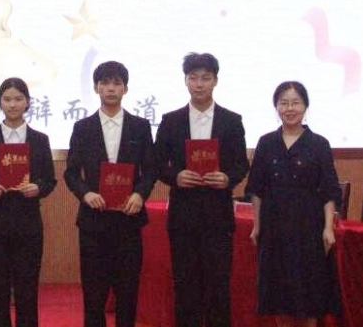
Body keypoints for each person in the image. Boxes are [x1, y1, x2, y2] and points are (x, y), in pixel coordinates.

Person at [154, 52, 249, 327]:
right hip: (183, 217)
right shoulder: (171, 121)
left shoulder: (232, 121)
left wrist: (227, 178)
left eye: (205, 78)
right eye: (193, 78)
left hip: (218, 217)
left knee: (218, 287)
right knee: (185, 287)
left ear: (215, 81)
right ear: (185, 80)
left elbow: (241, 165)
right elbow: (156, 163)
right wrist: (176, 176)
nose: (199, 84)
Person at [64, 60, 158, 327]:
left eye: (117, 83)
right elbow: (71, 173)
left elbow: (151, 169)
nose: (111, 88)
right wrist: (86, 194)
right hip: (94, 222)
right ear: (96, 88)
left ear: (125, 88)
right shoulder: (83, 128)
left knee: (128, 293)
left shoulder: (140, 126)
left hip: (128, 221)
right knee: (94, 295)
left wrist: (139, 194)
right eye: (105, 83)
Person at [244, 81, 340, 327]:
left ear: (305, 106)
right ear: (276, 107)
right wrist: (257, 225)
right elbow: (256, 189)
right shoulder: (266, 142)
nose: (289, 108)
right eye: (283, 103)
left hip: (308, 227)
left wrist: (328, 228)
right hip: (273, 227)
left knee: (309, 294)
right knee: (278, 295)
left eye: (295, 102)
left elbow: (329, 190)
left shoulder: (319, 144)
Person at [0, 77, 57, 327]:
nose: (13, 104)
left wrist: (38, 188)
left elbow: (50, 180)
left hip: (28, 226)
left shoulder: (39, 139)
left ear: (27, 102)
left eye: (18, 99)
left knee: (27, 291)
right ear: (0, 102)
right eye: (7, 99)